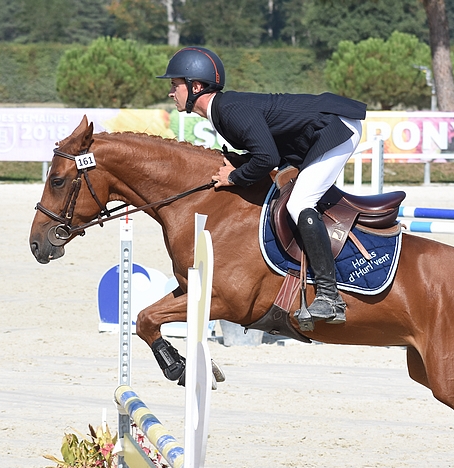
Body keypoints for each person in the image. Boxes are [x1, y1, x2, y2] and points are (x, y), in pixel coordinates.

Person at [157, 46, 366, 325]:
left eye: (175, 85)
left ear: (195, 86)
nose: (171, 92)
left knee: (299, 203)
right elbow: (268, 153)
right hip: (310, 136)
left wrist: (234, 177)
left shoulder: (228, 110)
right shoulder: (223, 112)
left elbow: (266, 159)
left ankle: (330, 297)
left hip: (336, 128)